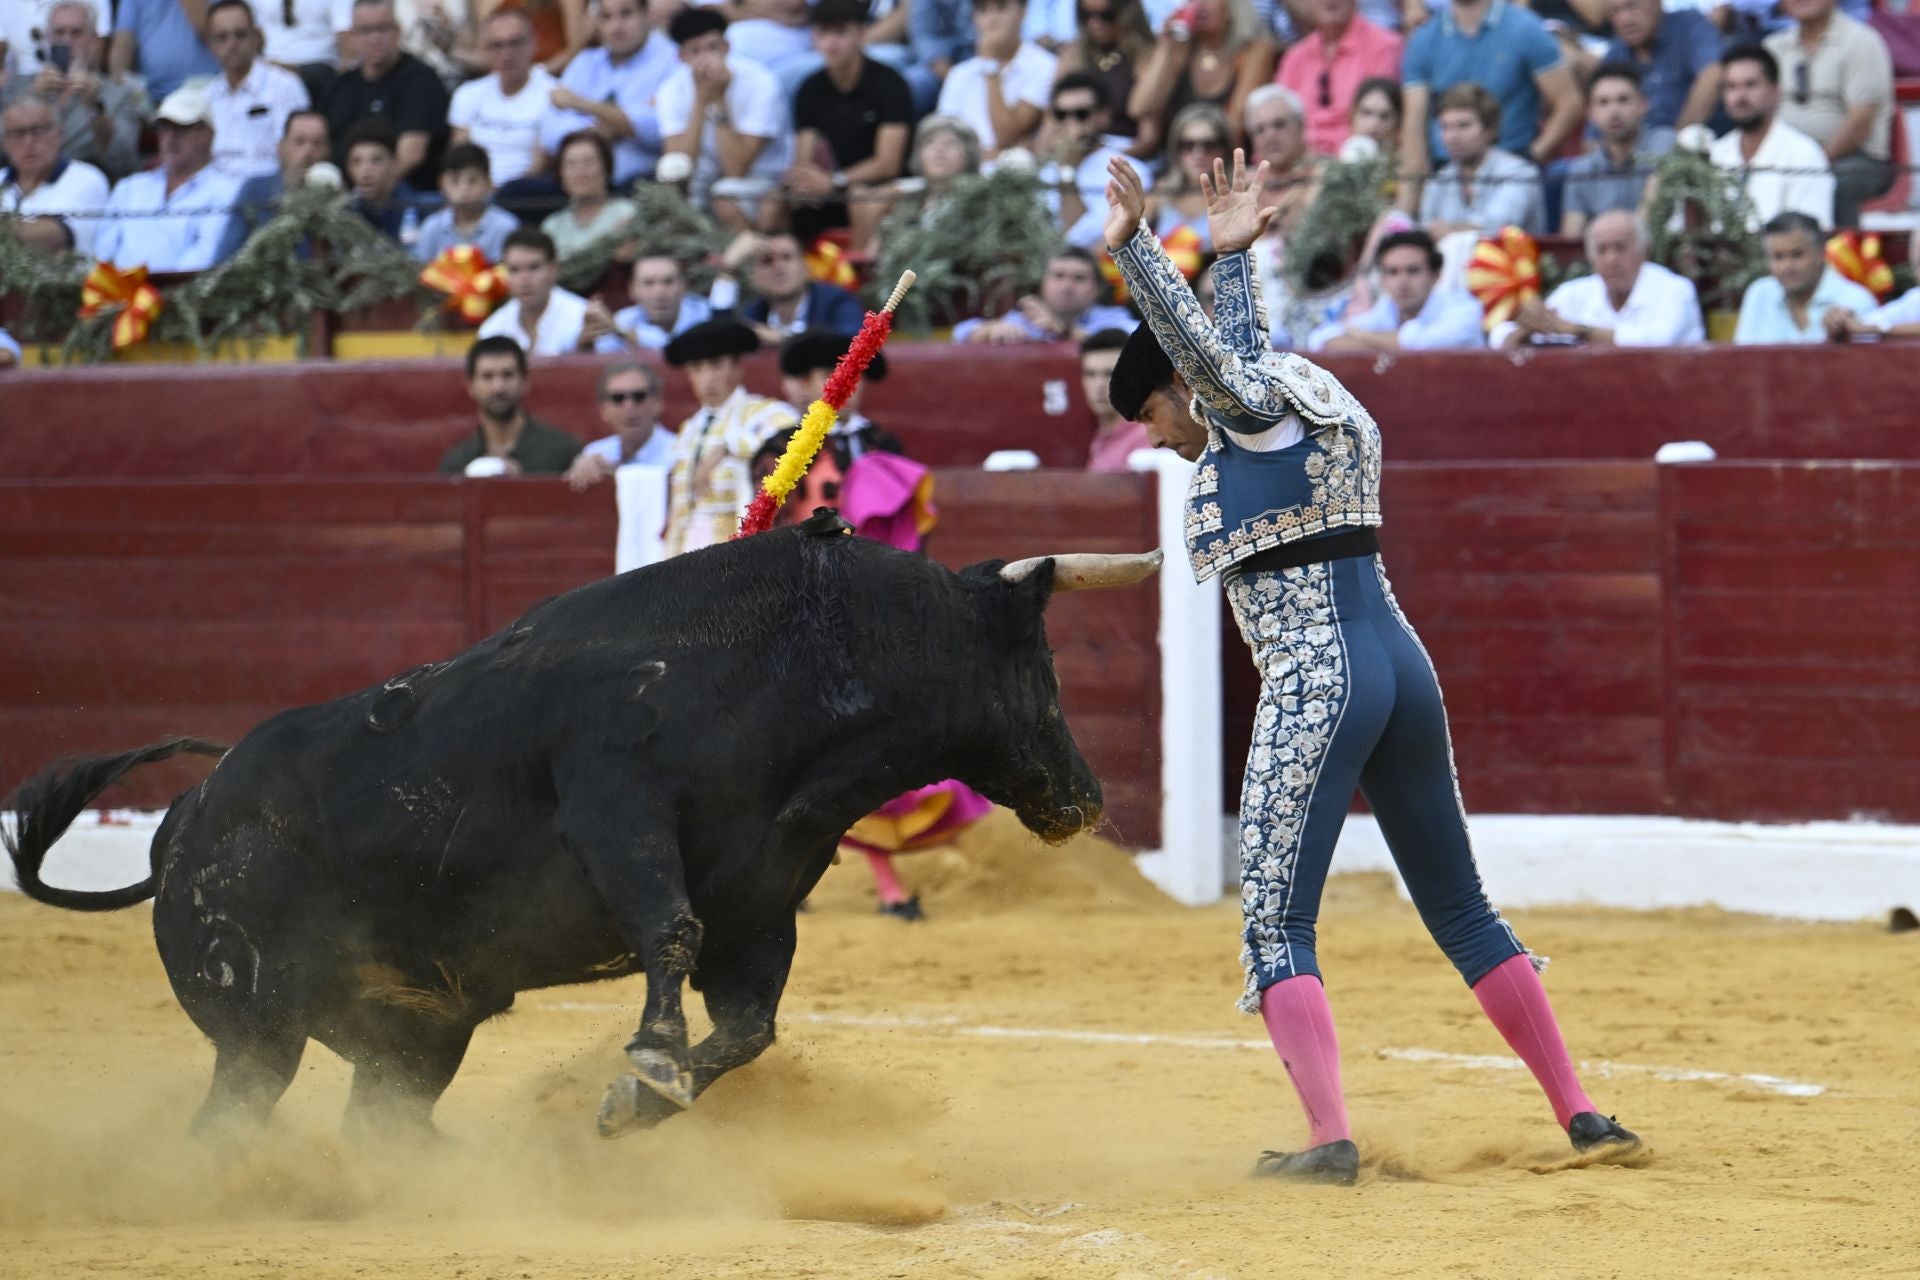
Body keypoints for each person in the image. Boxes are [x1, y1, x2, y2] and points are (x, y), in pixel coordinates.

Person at [1101, 148, 1641, 1184]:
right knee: (1463, 904)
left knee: (1274, 920)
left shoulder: (1235, 410)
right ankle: (1580, 1110)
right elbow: (1242, 360)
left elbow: (1214, 367)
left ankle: (1326, 1137)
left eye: (1153, 416)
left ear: (1177, 385)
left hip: (1318, 681)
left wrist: (1142, 257)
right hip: (1402, 664)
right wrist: (1237, 262)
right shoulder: (1306, 394)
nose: (1163, 439)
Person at [1399, 0, 1581, 207]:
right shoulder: (1424, 39)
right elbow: (1414, 123)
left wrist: (1531, 157)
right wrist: (1406, 204)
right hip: (1447, 174)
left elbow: (1570, 102)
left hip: (1510, 170)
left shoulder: (1525, 28)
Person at [659, 318, 800, 556]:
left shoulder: (766, 413)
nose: (707, 378)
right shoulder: (688, 431)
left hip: (742, 551)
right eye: (697, 368)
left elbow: (794, 437)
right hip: (690, 553)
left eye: (716, 365)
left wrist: (728, 447)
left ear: (737, 366)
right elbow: (680, 513)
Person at [786, 0, 913, 245]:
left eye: (840, 32)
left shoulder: (890, 84)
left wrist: (835, 181)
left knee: (860, 197)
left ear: (862, 34)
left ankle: (857, 277)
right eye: (823, 33)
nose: (831, 44)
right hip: (829, 190)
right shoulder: (809, 89)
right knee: (777, 200)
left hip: (882, 188)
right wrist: (803, 182)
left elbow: (888, 163)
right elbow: (804, 155)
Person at [655, 5, 792, 230]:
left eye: (712, 47)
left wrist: (718, 99)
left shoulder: (760, 83)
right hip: (704, 179)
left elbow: (736, 169)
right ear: (681, 56)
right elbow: (680, 167)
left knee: (726, 197)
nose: (706, 58)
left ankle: (743, 262)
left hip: (761, 179)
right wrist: (700, 101)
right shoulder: (670, 91)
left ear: (727, 47)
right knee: (670, 199)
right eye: (695, 51)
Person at [1764, 0, 1895, 228]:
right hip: (1785, 157)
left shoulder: (1862, 42)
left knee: (1835, 181)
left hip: (1856, 158)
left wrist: (1811, 164)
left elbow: (1860, 123)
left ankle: (1839, 260)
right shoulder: (1772, 48)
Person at [1494, 209, 1704, 347]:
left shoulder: (1675, 290)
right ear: (1591, 258)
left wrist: (1579, 331)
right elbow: (1498, 338)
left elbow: (1656, 342)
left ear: (1644, 252)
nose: (1611, 259)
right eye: (1601, 250)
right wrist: (1527, 329)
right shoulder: (1573, 293)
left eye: (1620, 248)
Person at [93, 85, 243, 272]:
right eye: (164, 128)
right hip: (117, 295)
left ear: (208, 135)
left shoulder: (227, 192)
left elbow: (203, 260)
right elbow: (102, 255)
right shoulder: (130, 188)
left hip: (183, 296)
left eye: (181, 128)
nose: (170, 138)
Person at [536, 0, 679, 188]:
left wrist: (582, 105)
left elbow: (658, 128)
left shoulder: (672, 60)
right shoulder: (585, 62)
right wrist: (596, 132)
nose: (616, 26)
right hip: (575, 183)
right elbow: (549, 132)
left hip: (637, 184)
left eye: (626, 14)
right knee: (515, 192)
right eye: (606, 17)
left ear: (646, 14)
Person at [0, 0, 144, 181]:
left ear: (94, 41)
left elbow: (124, 163)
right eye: (59, 33)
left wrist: (95, 109)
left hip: (83, 190)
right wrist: (32, 98)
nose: (67, 40)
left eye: (76, 33)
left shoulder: (117, 95)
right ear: (47, 39)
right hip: (21, 188)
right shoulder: (18, 87)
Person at [1708, 43, 1835, 230]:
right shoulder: (1715, 154)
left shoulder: (1804, 154)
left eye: (1751, 85)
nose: (1740, 97)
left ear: (1775, 92)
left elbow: (1809, 237)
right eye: (1731, 87)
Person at [327, 0, 451, 187]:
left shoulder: (420, 79)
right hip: (348, 194)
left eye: (382, 29)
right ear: (352, 36)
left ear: (397, 31)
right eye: (366, 31)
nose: (374, 38)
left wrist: (367, 190)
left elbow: (412, 154)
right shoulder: (342, 86)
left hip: (406, 193)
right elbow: (327, 146)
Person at [1128, 0, 1275, 151]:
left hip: (1224, 159)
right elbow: (1140, 109)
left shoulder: (1253, 50)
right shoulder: (1180, 50)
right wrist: (1165, 49)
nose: (1200, 5)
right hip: (1177, 162)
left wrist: (1198, 151)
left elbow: (1235, 125)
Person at [1308, 229, 1485, 351]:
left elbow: (1425, 344)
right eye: (1393, 272)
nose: (1402, 282)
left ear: (1436, 275)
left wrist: (1361, 336)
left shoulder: (1464, 308)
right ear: (1383, 279)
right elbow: (1320, 338)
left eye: (1413, 271)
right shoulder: (1386, 310)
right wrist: (1385, 343)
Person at [437, 333, 584, 474]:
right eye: (487, 376)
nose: (498, 387)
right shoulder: (456, 464)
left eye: (508, 374)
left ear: (524, 381)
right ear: (471, 386)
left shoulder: (563, 453)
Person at [1037, 72, 1154, 250]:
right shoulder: (1042, 169)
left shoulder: (1127, 170)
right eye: (1061, 115)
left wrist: (1067, 169)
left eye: (1081, 114)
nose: (1071, 123)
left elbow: (1079, 237)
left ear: (1103, 116)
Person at [1274, 0, 1403, 158]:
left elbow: (1381, 119)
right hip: (1299, 163)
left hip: (1358, 161)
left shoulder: (1385, 47)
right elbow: (1276, 116)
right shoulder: (1295, 57)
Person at [1559, 62, 1673, 239]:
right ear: (1590, 113)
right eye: (1603, 102)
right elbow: (1571, 238)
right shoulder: (1581, 169)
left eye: (1623, 100)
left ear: (1643, 105)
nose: (1614, 111)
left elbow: (1649, 218)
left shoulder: (1664, 141)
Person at [203, 0, 313, 181]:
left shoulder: (285, 86)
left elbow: (296, 153)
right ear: (211, 45)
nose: (232, 44)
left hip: (267, 190)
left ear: (256, 37)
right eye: (222, 37)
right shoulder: (208, 95)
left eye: (240, 34)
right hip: (215, 191)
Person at [933, 0, 1057, 158]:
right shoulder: (960, 73)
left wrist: (991, 68)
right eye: (983, 11)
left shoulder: (1045, 66)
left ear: (1023, 12)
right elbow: (943, 136)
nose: (992, 20)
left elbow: (1007, 135)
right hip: (965, 174)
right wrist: (993, 154)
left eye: (1001, 8)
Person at [1418, 83, 1544, 237]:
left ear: (1489, 130)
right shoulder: (1439, 180)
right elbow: (1426, 232)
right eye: (1445, 127)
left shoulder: (1520, 173)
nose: (1452, 137)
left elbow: (1498, 228)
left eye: (1463, 126)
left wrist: (1449, 230)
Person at [450, 8, 557, 187]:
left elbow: (540, 166)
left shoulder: (554, 94)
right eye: (497, 45)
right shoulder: (467, 94)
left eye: (515, 43)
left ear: (533, 42)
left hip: (527, 196)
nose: (506, 54)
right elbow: (459, 157)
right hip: (474, 195)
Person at [1733, 210, 1877, 344]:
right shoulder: (1759, 294)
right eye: (1778, 257)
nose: (1787, 266)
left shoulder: (1856, 301)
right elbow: (1742, 361)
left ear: (1821, 253)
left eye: (1797, 255)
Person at [953, 244, 1138, 342]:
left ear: (1096, 288)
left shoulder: (1113, 318)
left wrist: (1065, 331)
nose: (1067, 286)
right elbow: (959, 333)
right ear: (1042, 284)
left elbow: (1137, 344)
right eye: (1058, 276)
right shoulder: (1027, 319)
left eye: (1079, 278)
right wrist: (990, 330)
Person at [0, 95, 110, 255]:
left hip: (68, 279)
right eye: (17, 133)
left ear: (59, 134)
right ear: (4, 142)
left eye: (38, 131)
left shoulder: (86, 178)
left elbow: (54, 236)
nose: (28, 141)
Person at [715, 229, 867, 341]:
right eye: (767, 261)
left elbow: (850, 343)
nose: (778, 268)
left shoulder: (836, 301)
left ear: (806, 267)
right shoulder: (756, 313)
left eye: (787, 257)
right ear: (754, 278)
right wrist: (728, 268)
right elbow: (718, 338)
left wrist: (780, 339)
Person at [218, 109, 331, 257]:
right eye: (299, 142)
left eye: (317, 144)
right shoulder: (255, 190)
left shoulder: (337, 198)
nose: (308, 152)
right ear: (281, 148)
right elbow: (227, 256)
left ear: (328, 151)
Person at [777, 327, 903, 459]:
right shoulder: (785, 446)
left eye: (853, 376)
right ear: (806, 384)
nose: (843, 386)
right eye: (829, 375)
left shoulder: (883, 442)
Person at [1054, 0, 1158, 157]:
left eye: (1106, 15)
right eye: (1086, 15)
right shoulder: (1073, 54)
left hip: (1127, 157)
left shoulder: (1146, 56)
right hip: (1075, 153)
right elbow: (1053, 121)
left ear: (1127, 14)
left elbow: (1149, 137)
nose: (1095, 23)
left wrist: (1105, 158)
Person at [1601, 0, 1723, 133]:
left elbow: (1713, 75)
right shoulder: (1615, 53)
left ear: (1657, 3)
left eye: (1632, 6)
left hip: (1702, 144)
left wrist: (1678, 144)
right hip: (1642, 150)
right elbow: (1594, 134)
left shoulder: (1689, 24)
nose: (1625, 19)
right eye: (1614, 11)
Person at [564, 358, 678, 490]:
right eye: (618, 398)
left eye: (638, 396)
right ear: (603, 410)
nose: (629, 406)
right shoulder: (595, 452)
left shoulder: (679, 452)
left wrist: (615, 474)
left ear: (657, 404)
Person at [475, 226, 592, 353]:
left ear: (553, 269)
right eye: (514, 270)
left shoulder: (582, 318)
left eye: (534, 267)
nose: (525, 280)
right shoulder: (492, 331)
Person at [1144, 102, 1232, 262]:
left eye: (1209, 145)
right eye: (1188, 145)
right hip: (1164, 284)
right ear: (1176, 150)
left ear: (1224, 149)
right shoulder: (1162, 191)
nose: (1198, 153)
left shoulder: (1235, 194)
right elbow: (1122, 240)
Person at [411, 140, 519, 261]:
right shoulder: (432, 227)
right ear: (441, 185)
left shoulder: (506, 226)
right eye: (454, 181)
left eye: (472, 181)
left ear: (489, 182)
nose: (464, 189)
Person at [590, 251, 714, 352]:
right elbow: (602, 355)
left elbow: (673, 351)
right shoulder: (623, 320)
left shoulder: (708, 316)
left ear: (684, 286)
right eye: (648, 283)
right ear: (632, 290)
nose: (659, 292)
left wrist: (622, 333)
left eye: (668, 281)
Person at [539, 129, 636, 256]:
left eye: (588, 162)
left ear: (606, 169)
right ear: (560, 175)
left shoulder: (628, 214)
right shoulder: (552, 226)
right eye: (571, 164)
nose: (580, 171)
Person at [110, 0, 219, 100]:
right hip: (153, 96)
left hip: (206, 92)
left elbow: (214, 35)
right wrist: (121, 90)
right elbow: (123, 42)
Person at [1079, 326, 1151, 470]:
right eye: (1090, 374)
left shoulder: (1145, 440)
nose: (1099, 385)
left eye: (1110, 374)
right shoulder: (1101, 435)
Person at [343, 119, 418, 241]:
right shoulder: (345, 213)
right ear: (348, 168)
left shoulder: (422, 210)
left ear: (395, 163)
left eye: (376, 160)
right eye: (357, 162)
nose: (366, 172)